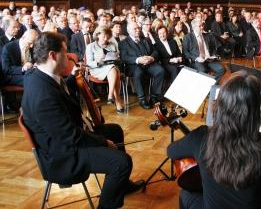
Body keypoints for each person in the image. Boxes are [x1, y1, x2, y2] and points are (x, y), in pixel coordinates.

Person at [21, 32, 144, 209]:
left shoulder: (43, 77)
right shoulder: (42, 94)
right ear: (53, 56)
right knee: (122, 163)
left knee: (115, 130)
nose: (69, 55)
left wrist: (72, 80)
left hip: (66, 140)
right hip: (63, 156)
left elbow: (61, 99)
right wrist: (103, 142)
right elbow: (71, 136)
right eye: (65, 52)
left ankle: (121, 185)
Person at [167, 72, 261, 209]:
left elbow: (171, 151)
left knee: (186, 194)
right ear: (255, 110)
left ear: (220, 103)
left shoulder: (201, 137)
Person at [119, 21, 165, 109]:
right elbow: (124, 57)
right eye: (135, 29)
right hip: (134, 66)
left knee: (160, 70)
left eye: (138, 28)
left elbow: (155, 51)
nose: (138, 30)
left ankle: (154, 96)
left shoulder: (145, 39)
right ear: (129, 31)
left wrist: (151, 58)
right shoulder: (123, 43)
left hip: (149, 63)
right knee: (138, 72)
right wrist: (138, 60)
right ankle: (142, 98)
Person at [86, 26, 125, 113]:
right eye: (103, 36)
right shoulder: (90, 46)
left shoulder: (112, 44)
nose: (106, 38)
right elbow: (89, 63)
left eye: (107, 36)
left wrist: (116, 57)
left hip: (111, 66)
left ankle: (110, 96)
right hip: (97, 68)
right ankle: (116, 98)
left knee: (113, 68)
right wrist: (98, 60)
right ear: (98, 35)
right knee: (114, 70)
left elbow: (117, 57)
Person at [182, 19, 225, 83]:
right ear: (194, 28)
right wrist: (196, 58)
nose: (202, 27)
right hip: (198, 60)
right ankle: (206, 84)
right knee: (203, 71)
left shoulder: (206, 35)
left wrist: (214, 55)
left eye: (202, 25)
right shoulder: (188, 37)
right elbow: (185, 52)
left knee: (221, 69)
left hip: (209, 58)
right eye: (200, 26)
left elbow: (212, 48)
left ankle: (212, 83)